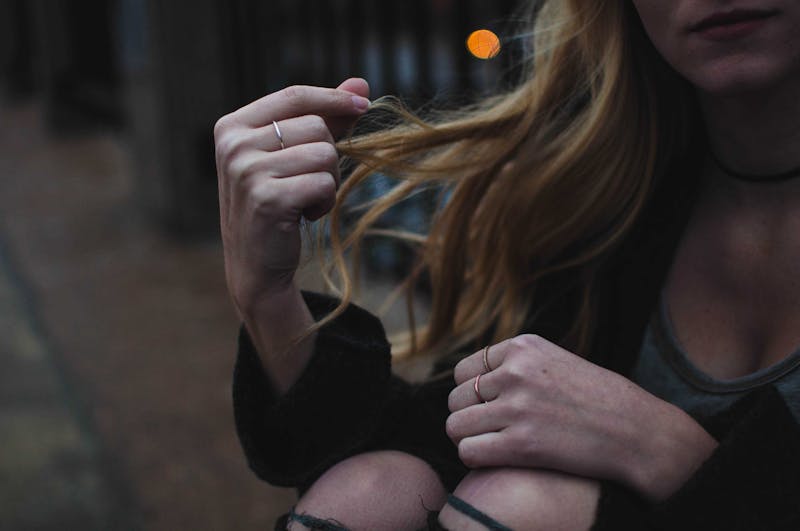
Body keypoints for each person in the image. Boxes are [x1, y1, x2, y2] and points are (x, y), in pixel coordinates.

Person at [214, 0, 800, 529]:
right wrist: (268, 299)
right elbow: (437, 452)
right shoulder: (597, 197)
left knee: (523, 501)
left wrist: (666, 451)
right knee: (371, 494)